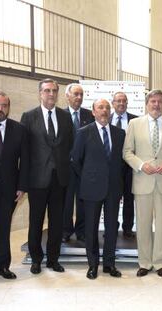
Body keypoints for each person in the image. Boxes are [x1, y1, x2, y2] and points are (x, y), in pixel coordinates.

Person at [123, 89, 162, 278]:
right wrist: (141, 165)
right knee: (143, 224)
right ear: (147, 104)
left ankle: (160, 262)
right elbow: (127, 152)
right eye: (153, 102)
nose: (156, 105)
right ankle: (144, 262)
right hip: (143, 181)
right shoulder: (134, 124)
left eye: (159, 102)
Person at [21, 78, 73, 274]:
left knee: (57, 223)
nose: (51, 94)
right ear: (40, 93)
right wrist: (23, 180)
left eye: (54, 91)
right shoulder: (29, 116)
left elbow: (70, 145)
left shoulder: (65, 117)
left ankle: (53, 259)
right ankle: (36, 259)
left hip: (60, 179)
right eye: (47, 91)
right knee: (36, 221)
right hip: (37, 180)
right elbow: (24, 152)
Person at [71, 98, 125, 279]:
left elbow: (122, 164)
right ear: (93, 112)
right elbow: (76, 160)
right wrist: (88, 178)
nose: (104, 111)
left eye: (106, 108)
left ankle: (109, 264)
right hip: (91, 189)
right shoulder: (83, 132)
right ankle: (92, 265)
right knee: (91, 229)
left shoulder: (119, 134)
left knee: (111, 228)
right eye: (100, 108)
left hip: (113, 189)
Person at [0, 91, 28, 279]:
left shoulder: (18, 129)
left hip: (8, 190)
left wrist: (21, 186)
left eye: (4, 105)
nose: (0, 109)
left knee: (3, 230)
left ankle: (2, 267)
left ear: (8, 108)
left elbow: (25, 161)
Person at [62, 83, 94, 243]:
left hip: (84, 168)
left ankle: (81, 231)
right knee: (66, 201)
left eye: (81, 94)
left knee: (82, 201)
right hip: (66, 168)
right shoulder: (60, 115)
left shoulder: (90, 115)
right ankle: (66, 231)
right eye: (76, 94)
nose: (79, 97)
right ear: (67, 96)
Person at [110, 91, 137, 238]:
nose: (121, 103)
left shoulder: (136, 120)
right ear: (113, 103)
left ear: (127, 103)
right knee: (112, 198)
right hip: (112, 167)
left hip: (130, 166)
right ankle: (111, 226)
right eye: (118, 101)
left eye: (124, 101)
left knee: (129, 198)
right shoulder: (105, 119)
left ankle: (128, 228)